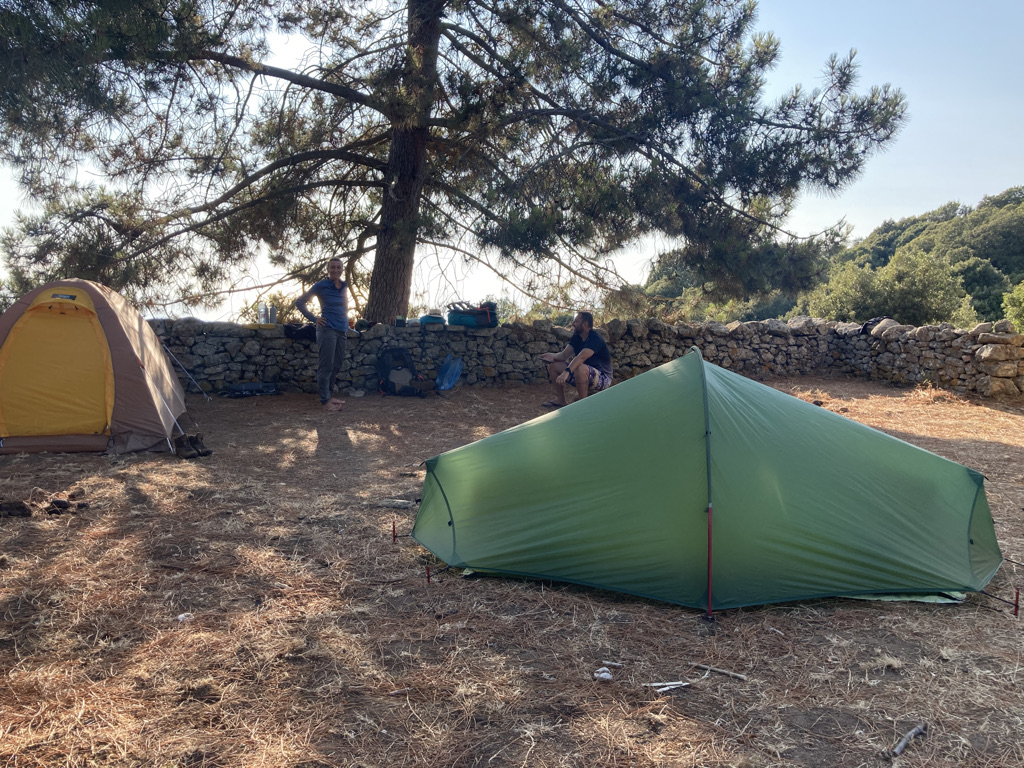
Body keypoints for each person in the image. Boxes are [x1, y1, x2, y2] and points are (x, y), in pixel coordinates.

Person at [295, 257, 349, 411]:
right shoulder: (321, 286)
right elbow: (299, 302)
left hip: (342, 330)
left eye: (339, 267)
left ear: (342, 269)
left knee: (336, 365)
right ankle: (325, 401)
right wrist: (314, 318)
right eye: (333, 267)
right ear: (328, 269)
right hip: (327, 329)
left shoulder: (344, 286)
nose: (336, 270)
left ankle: (330, 396)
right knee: (326, 366)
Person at [539, 311, 613, 407]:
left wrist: (566, 373)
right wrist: (552, 356)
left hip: (603, 378)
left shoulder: (595, 338)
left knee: (580, 367)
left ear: (585, 324)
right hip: (583, 372)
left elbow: (581, 357)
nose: (573, 324)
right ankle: (561, 400)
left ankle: (582, 406)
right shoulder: (576, 337)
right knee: (553, 366)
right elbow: (564, 355)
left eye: (576, 321)